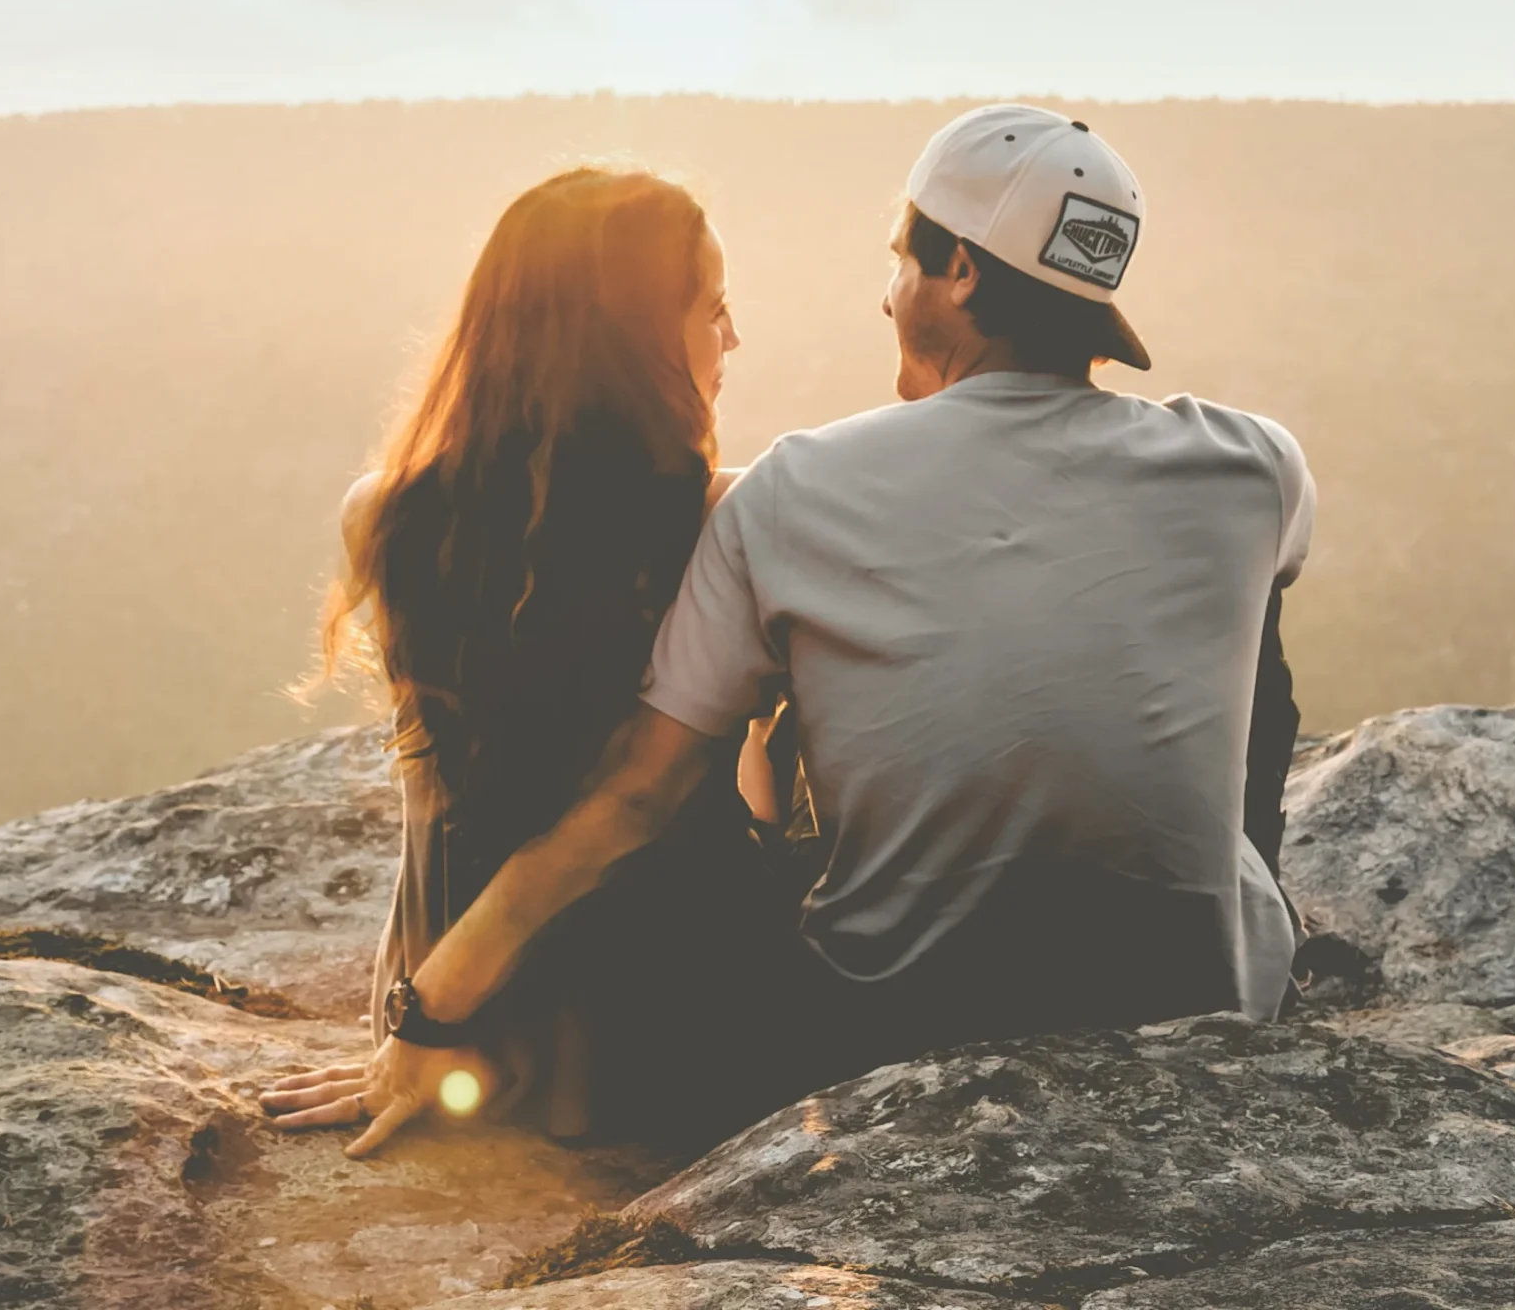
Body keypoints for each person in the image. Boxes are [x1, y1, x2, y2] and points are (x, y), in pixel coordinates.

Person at [339, 104, 1317, 1152]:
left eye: (901, 259)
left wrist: (430, 1004)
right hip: (1199, 1004)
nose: (886, 292)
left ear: (960, 274)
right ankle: (1220, 914)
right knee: (1247, 618)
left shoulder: (797, 490)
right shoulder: (1255, 465)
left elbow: (640, 791)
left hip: (886, 1027)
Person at [258, 165, 789, 1155]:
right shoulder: (732, 517)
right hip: (683, 1025)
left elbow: (433, 812)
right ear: (632, 340)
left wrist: (415, 1020)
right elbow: (668, 800)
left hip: (472, 1028)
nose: (733, 338)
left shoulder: (383, 515)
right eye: (714, 309)